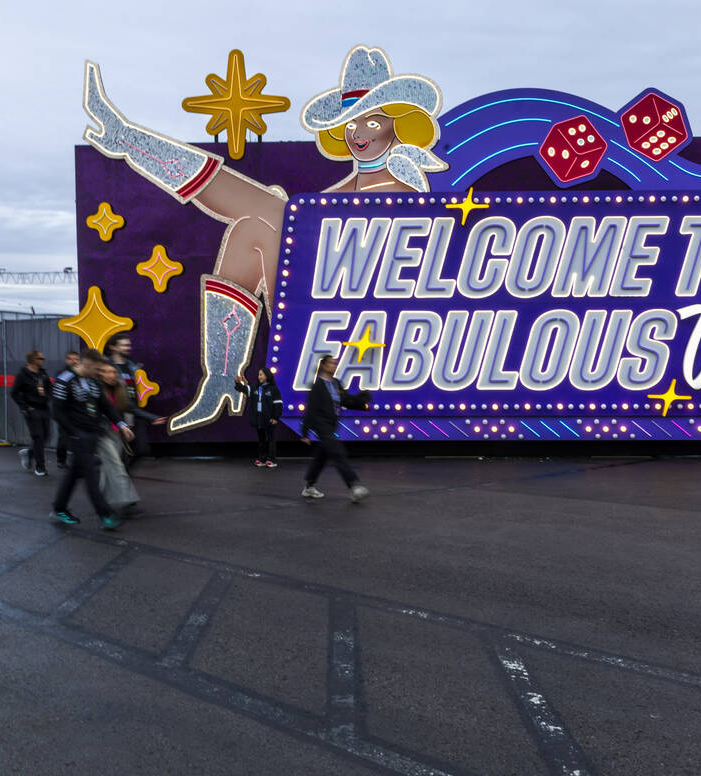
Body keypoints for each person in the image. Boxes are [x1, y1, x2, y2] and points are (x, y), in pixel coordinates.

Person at [83, 46, 447, 434]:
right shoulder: (348, 186)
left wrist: (280, 208)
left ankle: (129, 141)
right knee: (254, 225)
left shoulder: (400, 184)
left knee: (267, 217)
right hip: (318, 302)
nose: (358, 133)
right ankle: (222, 382)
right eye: (351, 123)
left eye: (372, 123)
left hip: (354, 312)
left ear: (398, 125)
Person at [51, 349, 134, 530]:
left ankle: (59, 507)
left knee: (74, 473)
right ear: (87, 364)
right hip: (76, 436)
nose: (100, 374)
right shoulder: (64, 380)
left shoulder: (93, 382)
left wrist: (121, 424)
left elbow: (105, 405)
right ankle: (105, 513)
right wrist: (74, 433)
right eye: (98, 369)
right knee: (91, 472)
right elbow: (57, 411)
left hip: (92, 433)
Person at [96, 363, 165, 516]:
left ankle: (100, 499)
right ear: (100, 374)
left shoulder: (119, 389)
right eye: (106, 371)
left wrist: (151, 418)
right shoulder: (96, 390)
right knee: (116, 467)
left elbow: (130, 408)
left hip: (116, 433)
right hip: (101, 434)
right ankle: (126, 502)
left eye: (113, 372)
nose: (111, 375)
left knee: (111, 469)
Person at [300, 356, 370, 502]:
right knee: (337, 451)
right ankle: (353, 486)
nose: (334, 366)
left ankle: (309, 486)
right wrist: (305, 432)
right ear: (324, 365)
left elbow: (345, 400)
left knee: (323, 455)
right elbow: (311, 410)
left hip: (331, 425)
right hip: (321, 424)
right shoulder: (318, 386)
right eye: (331, 363)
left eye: (335, 364)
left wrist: (361, 402)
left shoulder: (336, 383)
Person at [104, 334, 150, 464]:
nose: (127, 347)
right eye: (123, 345)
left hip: (133, 409)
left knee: (141, 448)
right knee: (119, 450)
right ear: (113, 347)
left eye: (128, 345)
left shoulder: (131, 365)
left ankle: (123, 473)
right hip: (116, 410)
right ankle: (119, 476)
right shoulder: (107, 366)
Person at [12, 350, 53, 476]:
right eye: (40, 358)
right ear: (33, 360)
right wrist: (24, 406)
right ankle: (40, 467)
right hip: (32, 410)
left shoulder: (43, 374)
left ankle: (29, 453)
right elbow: (14, 392)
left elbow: (49, 388)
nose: (43, 360)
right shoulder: (22, 375)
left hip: (44, 408)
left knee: (46, 436)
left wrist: (48, 396)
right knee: (38, 436)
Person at [235, 368, 283, 467]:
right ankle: (262, 459)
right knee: (261, 439)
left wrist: (275, 417)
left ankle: (271, 460)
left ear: (267, 375)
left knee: (271, 439)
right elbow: (243, 389)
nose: (259, 377)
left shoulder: (273, 389)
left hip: (269, 419)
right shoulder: (255, 388)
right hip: (259, 419)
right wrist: (238, 382)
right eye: (258, 375)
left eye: (261, 374)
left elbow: (278, 404)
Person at [54, 351, 80, 469]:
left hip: (76, 411)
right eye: (71, 359)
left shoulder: (80, 374)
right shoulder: (61, 374)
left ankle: (77, 462)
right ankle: (61, 460)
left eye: (76, 359)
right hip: (64, 411)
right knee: (64, 436)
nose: (74, 361)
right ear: (66, 360)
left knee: (76, 436)